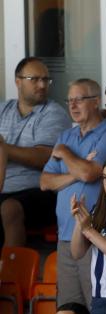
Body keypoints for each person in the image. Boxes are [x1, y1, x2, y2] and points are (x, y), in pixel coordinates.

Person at [39, 78, 106, 307]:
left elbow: (90, 173)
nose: (72, 106)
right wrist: (79, 170)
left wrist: (65, 154)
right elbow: (45, 182)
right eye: (69, 101)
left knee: (97, 310)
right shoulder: (66, 136)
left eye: (79, 99)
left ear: (95, 102)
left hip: (96, 237)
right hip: (64, 237)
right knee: (69, 311)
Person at [0, 58, 69, 248]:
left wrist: (4, 148)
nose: (42, 85)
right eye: (35, 79)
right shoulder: (3, 110)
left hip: (39, 190)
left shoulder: (53, 113)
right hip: (4, 188)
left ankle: (13, 267)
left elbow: (44, 157)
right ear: (18, 81)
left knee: (9, 208)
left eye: (46, 79)